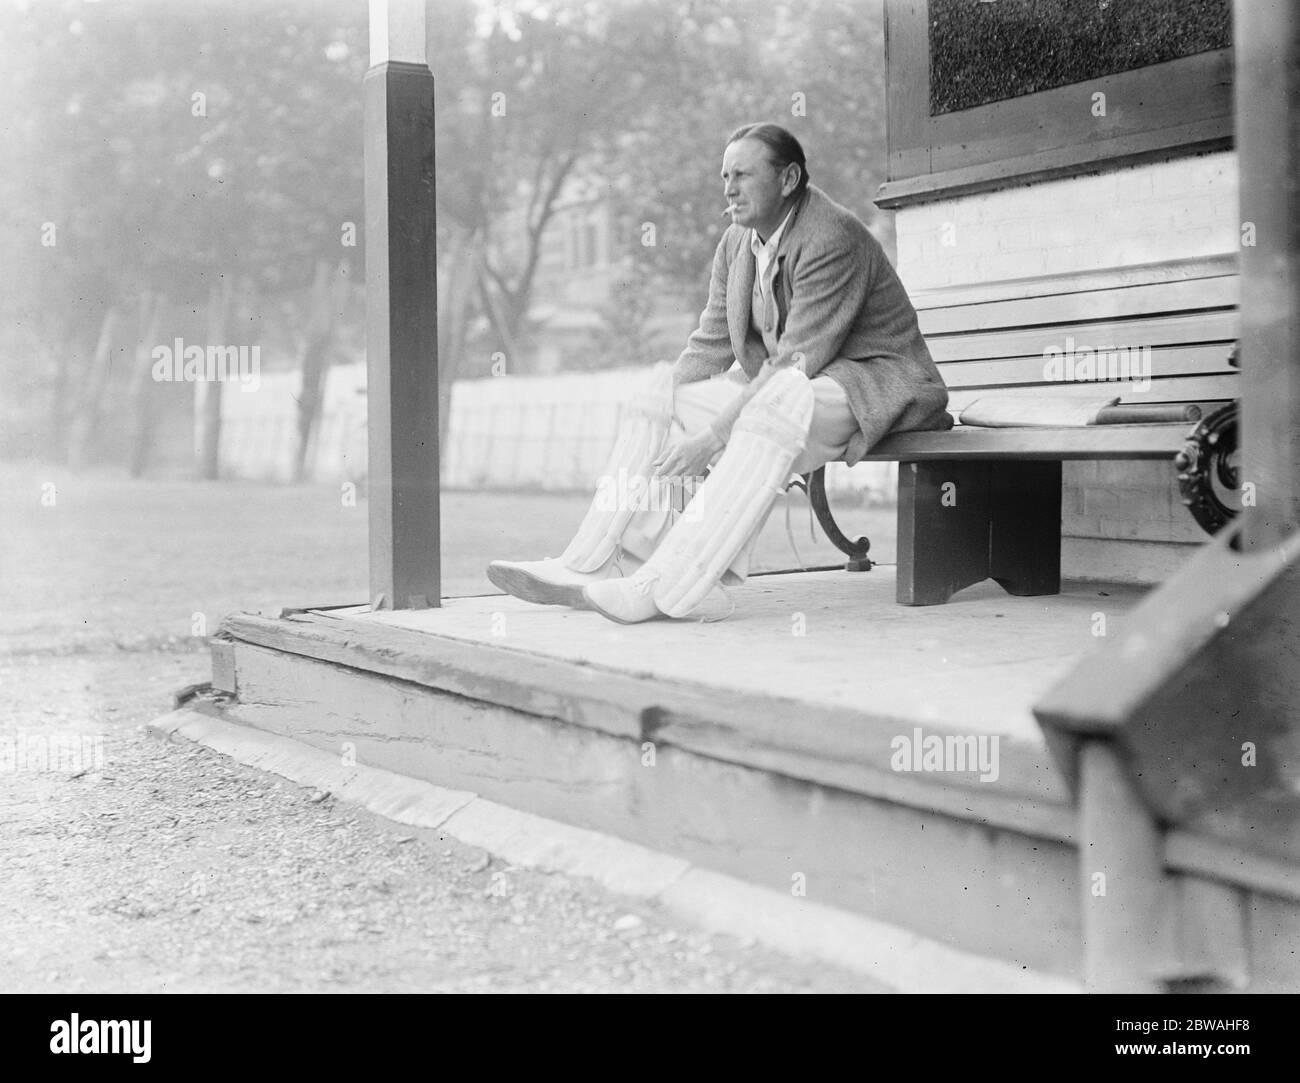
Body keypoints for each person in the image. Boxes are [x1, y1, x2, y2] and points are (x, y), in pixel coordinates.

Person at [487, 122, 951, 624]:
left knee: (770, 407)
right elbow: (710, 344)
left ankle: (676, 585)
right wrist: (667, 397)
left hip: (873, 386)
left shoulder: (831, 236)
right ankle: (599, 561)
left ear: (789, 178)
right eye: (725, 175)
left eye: (744, 175)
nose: (728, 188)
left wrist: (711, 438)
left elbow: (796, 361)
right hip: (797, 388)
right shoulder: (736, 242)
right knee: (664, 397)